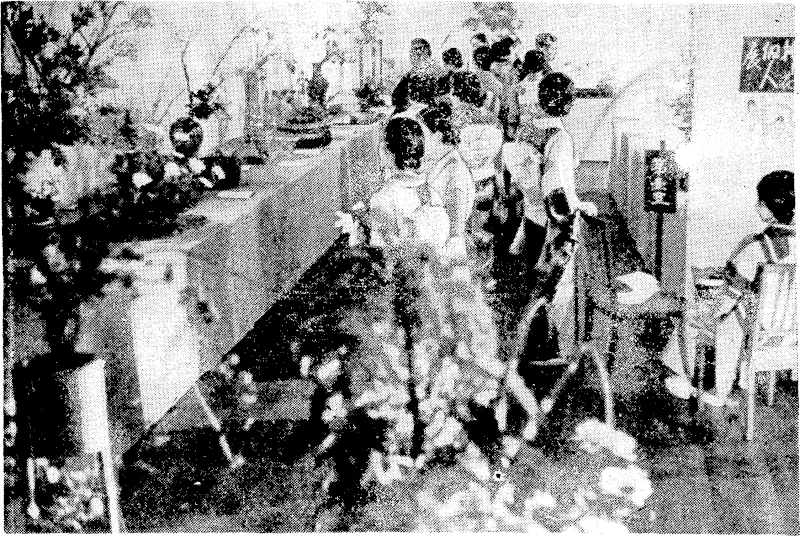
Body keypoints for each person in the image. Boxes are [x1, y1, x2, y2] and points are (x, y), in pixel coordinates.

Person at [663, 170, 795, 406]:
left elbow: (730, 296)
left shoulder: (757, 246)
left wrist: (708, 306)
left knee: (692, 314)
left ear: (766, 206)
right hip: (790, 330)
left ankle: (695, 384)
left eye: (760, 200)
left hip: (754, 330)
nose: (757, 205)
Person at [505, 72, 596, 258]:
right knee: (550, 278)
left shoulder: (526, 130)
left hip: (531, 213)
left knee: (523, 265)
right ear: (566, 103)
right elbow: (555, 192)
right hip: (550, 227)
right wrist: (578, 207)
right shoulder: (559, 138)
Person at [368, 117, 450, 255]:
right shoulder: (431, 192)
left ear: (385, 151)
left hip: (405, 269)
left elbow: (382, 251)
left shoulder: (382, 198)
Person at [418, 99, 476, 263]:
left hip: (446, 258)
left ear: (436, 135)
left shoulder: (454, 174)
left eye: (422, 134)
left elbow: (455, 235)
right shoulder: (443, 162)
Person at [391, 39, 448, 112]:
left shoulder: (438, 74)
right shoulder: (410, 75)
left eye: (414, 51)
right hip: (410, 113)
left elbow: (442, 100)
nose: (411, 55)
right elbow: (396, 98)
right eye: (411, 51)